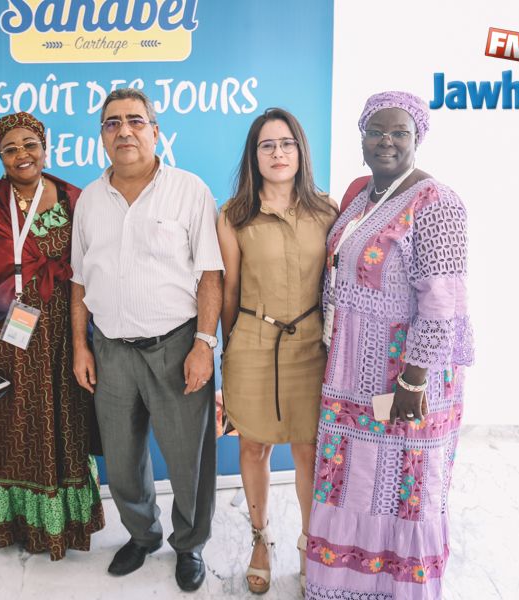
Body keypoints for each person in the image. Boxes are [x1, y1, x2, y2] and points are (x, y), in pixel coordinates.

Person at [307, 91, 474, 599]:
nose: (386, 141)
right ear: (361, 139)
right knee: (353, 482)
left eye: (399, 132)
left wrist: (413, 380)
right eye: (376, 131)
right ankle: (344, 585)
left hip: (406, 380)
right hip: (351, 375)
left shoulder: (436, 202)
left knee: (403, 488)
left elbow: (442, 302)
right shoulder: (363, 198)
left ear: (417, 138)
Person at [70, 88, 224, 592]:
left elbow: (210, 274)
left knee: (187, 461)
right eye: (112, 123)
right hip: (110, 350)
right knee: (121, 460)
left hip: (176, 346)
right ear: (102, 136)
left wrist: (204, 344)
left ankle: (190, 543)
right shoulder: (90, 199)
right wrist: (81, 346)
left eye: (135, 121)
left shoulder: (189, 190)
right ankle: (142, 535)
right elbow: (79, 281)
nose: (124, 131)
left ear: (155, 132)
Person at [0, 112, 104, 561]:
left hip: (64, 339)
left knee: (66, 426)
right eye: (10, 149)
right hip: (5, 341)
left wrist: (86, 341)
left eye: (30, 144)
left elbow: (93, 270)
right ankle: (13, 523)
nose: (22, 155)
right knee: (12, 433)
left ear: (45, 147)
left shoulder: (75, 199)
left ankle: (64, 523)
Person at [217, 108, 338, 594]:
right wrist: (228, 353)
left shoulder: (328, 210)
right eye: (267, 145)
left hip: (311, 346)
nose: (278, 153)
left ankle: (311, 543)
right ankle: (260, 539)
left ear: (300, 151)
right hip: (252, 343)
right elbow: (229, 291)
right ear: (254, 155)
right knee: (253, 446)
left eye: (287, 143)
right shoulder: (233, 215)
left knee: (308, 449)